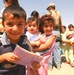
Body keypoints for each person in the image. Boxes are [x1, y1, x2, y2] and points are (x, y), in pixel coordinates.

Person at [0, 5, 40, 75]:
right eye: (10, 24)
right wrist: (4, 57)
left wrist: (36, 66)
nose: (15, 29)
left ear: (25, 25)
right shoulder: (1, 41)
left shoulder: (25, 42)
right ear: (3, 24)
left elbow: (32, 62)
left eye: (19, 24)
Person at [46, 3, 62, 70]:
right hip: (57, 31)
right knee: (57, 49)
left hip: (51, 31)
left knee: (49, 49)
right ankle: (58, 65)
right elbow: (61, 23)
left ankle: (50, 66)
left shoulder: (48, 13)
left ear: (50, 7)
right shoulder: (58, 13)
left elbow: (45, 22)